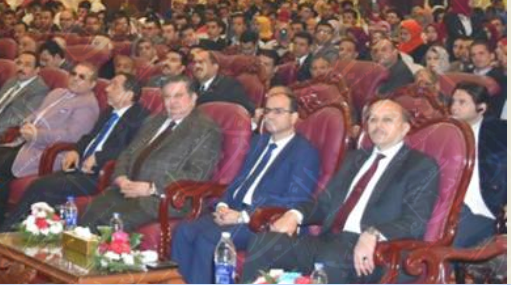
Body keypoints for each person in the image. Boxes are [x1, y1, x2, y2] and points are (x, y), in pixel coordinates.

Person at [241, 99, 440, 284]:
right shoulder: (354, 158)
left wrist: (373, 234)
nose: (378, 125)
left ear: (405, 128)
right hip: (329, 241)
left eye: (387, 120)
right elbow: (324, 203)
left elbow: (415, 222)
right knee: (264, 243)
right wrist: (294, 214)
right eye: (373, 119)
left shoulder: (419, 165)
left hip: (376, 252)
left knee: (331, 259)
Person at [172, 92, 321, 285]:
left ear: (293, 117)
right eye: (267, 110)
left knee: (208, 240)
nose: (270, 116)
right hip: (234, 211)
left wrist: (242, 216)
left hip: (262, 220)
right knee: (184, 231)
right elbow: (239, 181)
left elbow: (295, 199)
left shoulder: (304, 152)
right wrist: (222, 206)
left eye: (278, 111)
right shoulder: (258, 142)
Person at [0, 72, 146, 232]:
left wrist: (98, 158)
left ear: (129, 94)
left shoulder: (139, 117)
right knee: (40, 185)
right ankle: (14, 232)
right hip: (80, 167)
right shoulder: (110, 111)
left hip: (99, 175)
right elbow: (89, 136)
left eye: (114, 86)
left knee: (43, 187)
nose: (107, 89)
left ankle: (11, 232)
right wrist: (76, 151)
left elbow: (128, 151)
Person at [77, 76, 222, 231]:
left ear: (193, 97)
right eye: (167, 97)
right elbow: (128, 152)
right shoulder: (154, 120)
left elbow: (198, 174)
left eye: (178, 96)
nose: (172, 102)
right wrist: (120, 177)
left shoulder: (205, 129)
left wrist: (152, 188)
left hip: (163, 199)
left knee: (111, 221)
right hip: (128, 188)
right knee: (90, 211)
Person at [448, 83, 505, 248]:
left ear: (481, 108)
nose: (454, 107)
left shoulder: (500, 133)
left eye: (462, 102)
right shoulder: (444, 131)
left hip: (481, 209)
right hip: (444, 207)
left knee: (444, 247)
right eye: (453, 101)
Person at [190, 48, 255, 112]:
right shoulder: (190, 86)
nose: (196, 66)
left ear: (215, 66)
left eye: (201, 62)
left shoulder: (230, 86)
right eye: (194, 63)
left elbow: (246, 110)